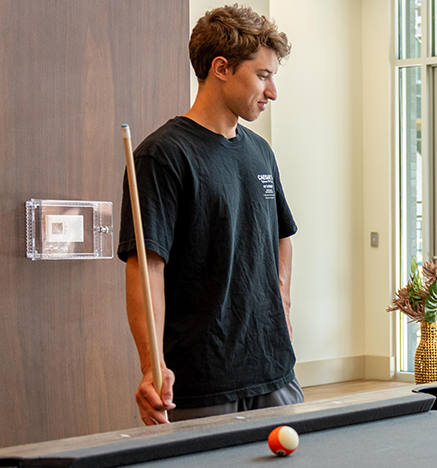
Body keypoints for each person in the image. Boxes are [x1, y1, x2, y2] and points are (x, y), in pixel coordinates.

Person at [118, 5, 301, 426]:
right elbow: (146, 268)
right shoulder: (162, 155)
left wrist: (283, 308)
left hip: (275, 370)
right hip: (203, 380)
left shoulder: (260, 151)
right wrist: (150, 364)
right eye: (263, 75)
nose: (272, 91)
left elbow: (282, 235)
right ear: (221, 68)